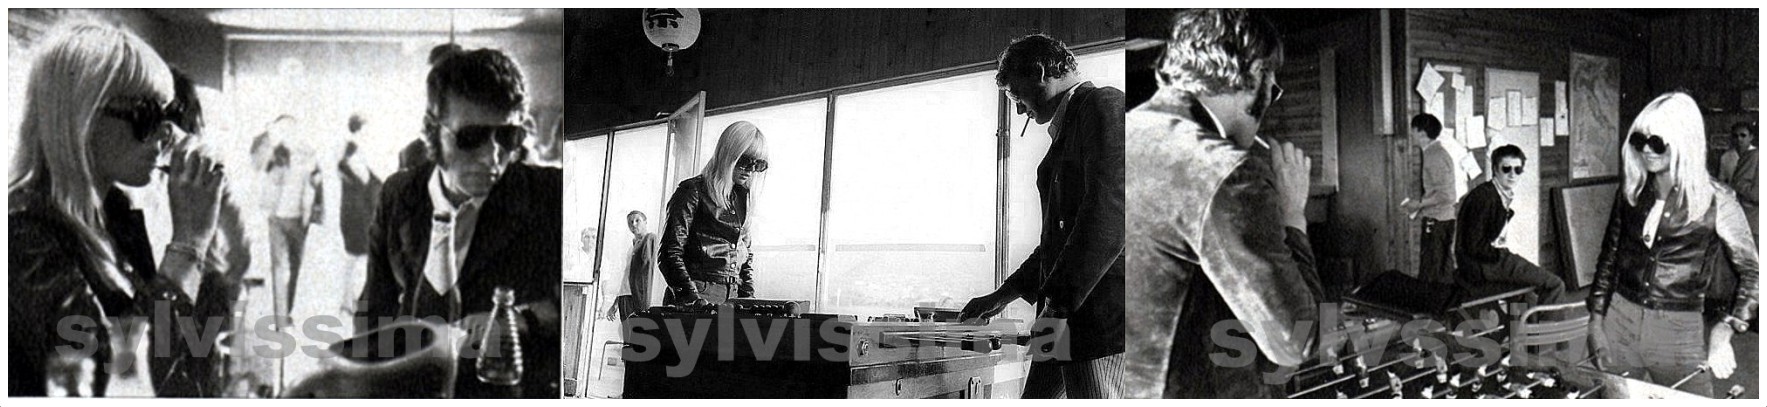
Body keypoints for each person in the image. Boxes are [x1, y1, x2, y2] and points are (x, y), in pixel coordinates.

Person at [9, 22, 237, 397]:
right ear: (81, 116)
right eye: (145, 114)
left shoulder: (114, 218)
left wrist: (202, 255)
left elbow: (180, 375)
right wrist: (187, 247)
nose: (166, 135)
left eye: (168, 115)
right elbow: (116, 382)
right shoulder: (22, 235)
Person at [1123, 9, 1322, 398]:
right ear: (1254, 75)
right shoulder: (1226, 170)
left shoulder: (1127, 133)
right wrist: (1295, 215)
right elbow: (1294, 341)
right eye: (1272, 89)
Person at [349, 45, 562, 398]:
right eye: (471, 137)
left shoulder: (548, 194)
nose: (492, 156)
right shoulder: (398, 193)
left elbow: (574, 305)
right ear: (434, 132)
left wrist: (521, 321)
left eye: (507, 137)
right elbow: (374, 307)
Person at [956, 33, 1125, 399]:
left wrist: (1059, 303)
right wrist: (1003, 295)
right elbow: (1056, 243)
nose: (1018, 111)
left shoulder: (1103, 105)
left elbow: (1110, 215)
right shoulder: (1071, 125)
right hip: (1062, 319)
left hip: (1097, 320)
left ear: (1039, 71)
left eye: (1017, 96)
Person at [1587, 92, 1757, 397]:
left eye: (1658, 143)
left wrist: (1727, 327)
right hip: (1620, 319)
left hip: (1678, 329)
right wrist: (1596, 322)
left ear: (1684, 141)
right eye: (1640, 141)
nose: (1647, 152)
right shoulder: (1632, 191)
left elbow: (1754, 273)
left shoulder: (1717, 201)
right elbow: (1609, 258)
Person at [660, 121, 766, 306]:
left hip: (732, 297)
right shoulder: (692, 191)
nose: (750, 170)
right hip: (698, 292)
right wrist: (692, 299)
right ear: (728, 155)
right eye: (744, 161)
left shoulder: (743, 199)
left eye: (758, 165)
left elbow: (745, 255)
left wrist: (748, 299)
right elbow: (670, 253)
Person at [1454, 145, 1565, 306]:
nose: (1512, 174)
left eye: (1518, 169)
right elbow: (1473, 246)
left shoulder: (1496, 193)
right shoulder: (1483, 197)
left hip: (1486, 260)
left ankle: (1525, 328)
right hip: (1481, 265)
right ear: (1495, 169)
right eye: (1506, 169)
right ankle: (1549, 331)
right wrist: (1501, 256)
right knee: (1555, 285)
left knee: (1527, 295)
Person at [251, 114, 322, 314]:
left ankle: (289, 310)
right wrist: (267, 136)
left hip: (300, 218)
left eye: (290, 129)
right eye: (282, 129)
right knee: (279, 269)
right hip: (276, 217)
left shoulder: (308, 153)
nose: (286, 133)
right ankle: (281, 317)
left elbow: (317, 183)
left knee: (296, 266)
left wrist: (314, 210)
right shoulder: (271, 152)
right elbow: (256, 164)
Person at [1400, 113, 1465, 283]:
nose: (1411, 134)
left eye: (1413, 130)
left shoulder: (1435, 156)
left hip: (1437, 221)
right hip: (1442, 218)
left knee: (1432, 271)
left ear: (1421, 133)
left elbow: (1446, 195)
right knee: (1441, 269)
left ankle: (1431, 307)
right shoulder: (1435, 152)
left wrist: (1419, 204)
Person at [337, 113, 382, 314]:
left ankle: (348, 300)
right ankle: (354, 301)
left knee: (352, 258)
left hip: (350, 211)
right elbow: (365, 180)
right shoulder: (354, 152)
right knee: (361, 257)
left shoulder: (346, 151)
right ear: (360, 128)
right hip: (359, 213)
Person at [607, 211, 659, 320]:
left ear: (645, 222)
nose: (633, 224)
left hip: (638, 297)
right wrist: (616, 303)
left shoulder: (650, 238)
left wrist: (644, 303)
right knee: (627, 334)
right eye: (630, 222)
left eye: (637, 220)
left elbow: (648, 270)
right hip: (624, 296)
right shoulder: (632, 247)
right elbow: (626, 276)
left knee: (639, 334)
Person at [1722, 122, 1756, 236]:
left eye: (1743, 135)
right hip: (1733, 207)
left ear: (1751, 137)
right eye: (1735, 136)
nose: (1739, 139)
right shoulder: (1726, 157)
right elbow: (1722, 181)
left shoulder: (1756, 155)